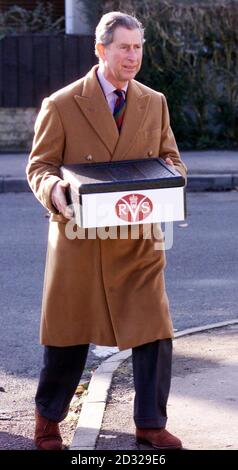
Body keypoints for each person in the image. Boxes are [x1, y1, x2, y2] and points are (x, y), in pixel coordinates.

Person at [26, 11, 187, 451]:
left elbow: (172, 159)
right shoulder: (61, 104)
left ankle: (150, 425)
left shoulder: (154, 101)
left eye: (138, 47)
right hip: (81, 243)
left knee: (155, 330)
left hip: (138, 241)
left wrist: (170, 178)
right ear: (101, 50)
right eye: (124, 47)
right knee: (68, 336)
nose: (132, 56)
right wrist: (54, 188)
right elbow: (38, 167)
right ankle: (47, 420)